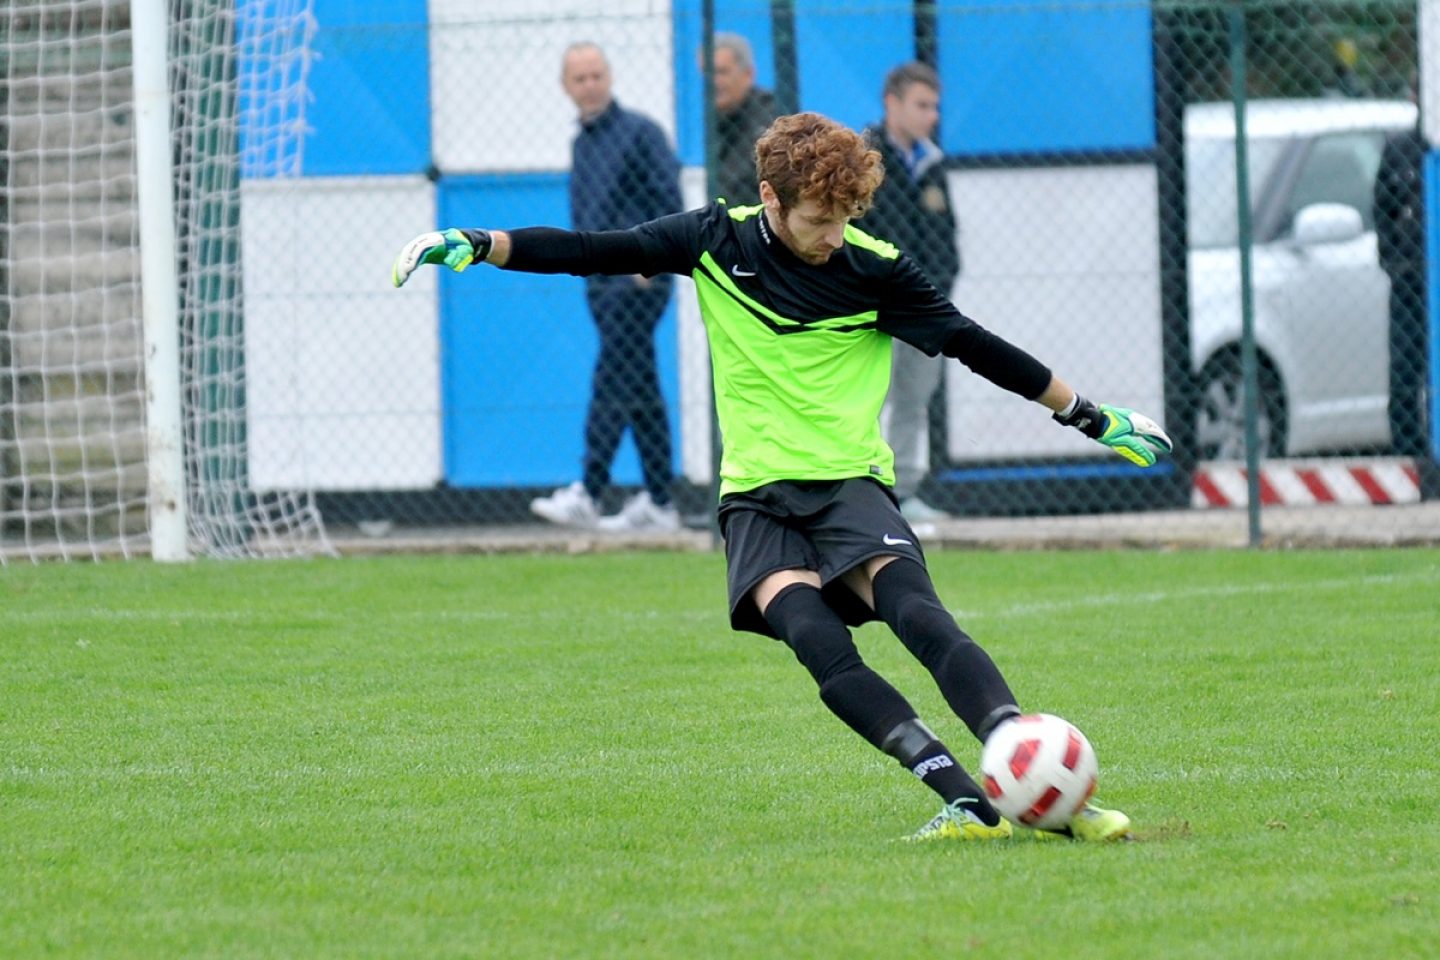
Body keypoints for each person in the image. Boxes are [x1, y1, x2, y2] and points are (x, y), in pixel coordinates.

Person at [392, 112, 1172, 842]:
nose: (834, 236)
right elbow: (597, 250)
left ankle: (1033, 768)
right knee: (818, 645)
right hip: (756, 499)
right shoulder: (711, 241)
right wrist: (478, 241)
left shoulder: (876, 271)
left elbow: (975, 344)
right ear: (770, 197)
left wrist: (1091, 417)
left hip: (849, 485)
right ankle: (965, 802)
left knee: (922, 620)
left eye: (846, 219)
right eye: (817, 220)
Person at [528, 42, 684, 531]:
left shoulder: (640, 133)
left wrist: (651, 261)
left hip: (638, 282)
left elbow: (669, 198)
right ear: (566, 87)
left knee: (611, 380)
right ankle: (660, 500)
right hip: (600, 284)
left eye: (597, 74)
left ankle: (590, 492)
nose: (590, 84)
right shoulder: (583, 143)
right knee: (639, 386)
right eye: (580, 78)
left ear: (609, 77)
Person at [858, 62, 960, 523]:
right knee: (866, 402)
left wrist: (937, 295)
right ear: (891, 104)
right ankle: (862, 491)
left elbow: (946, 241)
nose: (931, 115)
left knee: (913, 400)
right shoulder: (864, 160)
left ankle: (903, 492)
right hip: (875, 311)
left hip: (923, 311)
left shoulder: (932, 163)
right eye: (922, 105)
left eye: (935, 106)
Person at [1373, 85, 1430, 459]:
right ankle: (1408, 451)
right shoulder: (1400, 148)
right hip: (1411, 279)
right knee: (1406, 363)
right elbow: (1382, 209)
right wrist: (1394, 261)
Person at [711, 33, 781, 206]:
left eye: (722, 72)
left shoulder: (770, 120)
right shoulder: (719, 119)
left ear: (748, 74)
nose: (714, 81)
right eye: (707, 72)